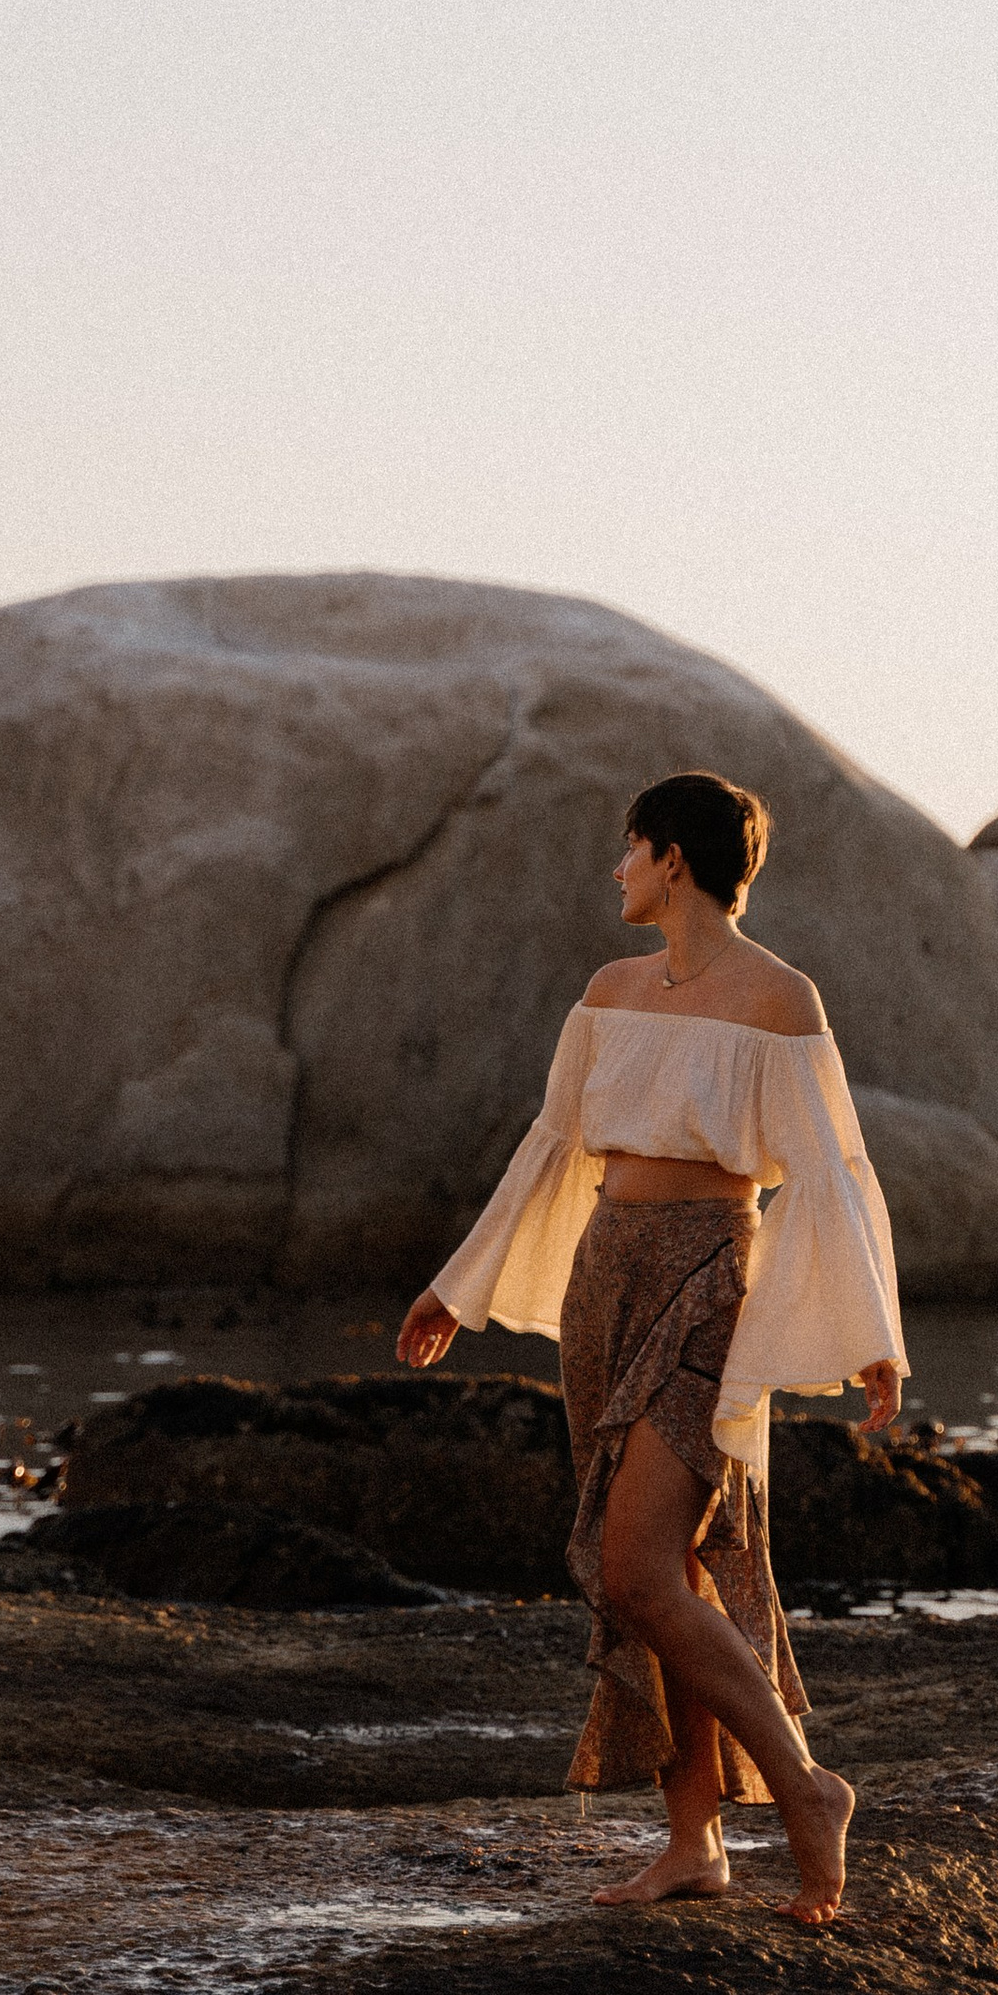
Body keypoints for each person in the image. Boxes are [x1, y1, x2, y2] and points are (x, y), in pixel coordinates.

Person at [396, 770, 906, 1925]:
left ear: (673, 857)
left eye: (627, 849)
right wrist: (456, 1287)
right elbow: (551, 1147)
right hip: (604, 1272)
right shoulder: (610, 990)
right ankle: (694, 1842)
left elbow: (831, 1169)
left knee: (639, 1566)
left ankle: (805, 1788)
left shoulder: (779, 999)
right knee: (661, 1577)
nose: (615, 869)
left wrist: (869, 1333)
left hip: (706, 1277)